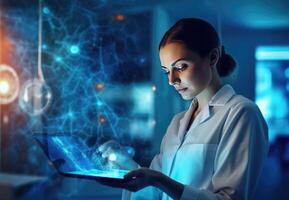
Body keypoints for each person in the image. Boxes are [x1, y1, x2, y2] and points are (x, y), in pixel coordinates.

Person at [97, 18, 269, 200]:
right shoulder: (178, 122)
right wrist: (124, 164)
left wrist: (158, 180)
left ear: (212, 57)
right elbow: (155, 193)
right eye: (166, 71)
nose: (172, 80)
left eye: (181, 67)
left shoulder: (241, 113)